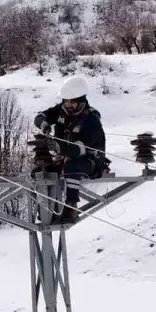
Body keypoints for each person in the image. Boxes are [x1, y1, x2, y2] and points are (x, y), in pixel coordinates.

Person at [33, 75, 107, 224]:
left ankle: (71, 206)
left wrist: (61, 148)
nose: (68, 104)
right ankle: (46, 207)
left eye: (72, 101)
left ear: (81, 100)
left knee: (72, 166)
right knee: (40, 171)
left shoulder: (91, 119)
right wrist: (44, 124)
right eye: (66, 101)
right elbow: (40, 116)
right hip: (63, 159)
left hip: (89, 161)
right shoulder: (61, 111)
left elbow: (81, 149)